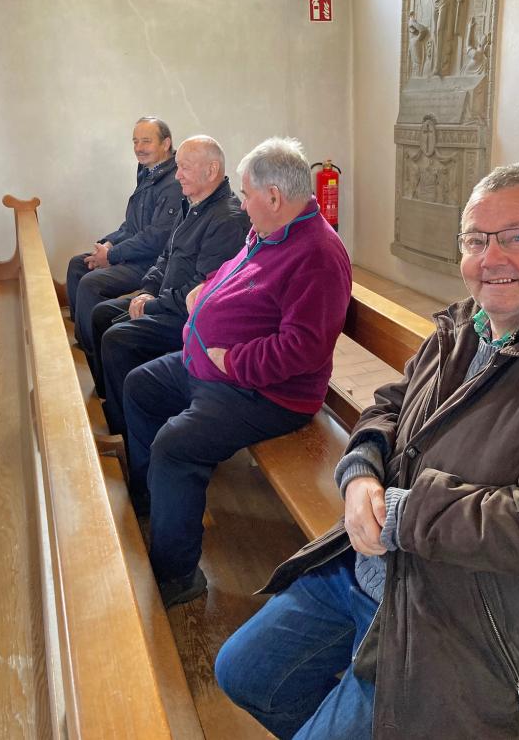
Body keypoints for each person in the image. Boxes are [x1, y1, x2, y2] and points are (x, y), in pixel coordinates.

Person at [215, 164, 519, 739]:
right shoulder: (466, 324)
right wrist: (359, 473)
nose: (492, 257)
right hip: (375, 566)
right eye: (476, 239)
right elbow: (390, 404)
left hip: (465, 617)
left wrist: (398, 510)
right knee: (244, 674)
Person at [122, 136, 352, 608]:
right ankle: (152, 499)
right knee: (141, 385)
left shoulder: (318, 255)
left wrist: (233, 361)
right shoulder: (268, 231)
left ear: (274, 197)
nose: (242, 204)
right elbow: (236, 272)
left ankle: (177, 576)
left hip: (267, 392)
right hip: (213, 369)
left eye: (246, 195)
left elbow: (304, 349)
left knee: (175, 446)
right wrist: (205, 290)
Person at [90, 135, 249, 437]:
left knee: (117, 337)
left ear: (211, 170)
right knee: (102, 315)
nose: (177, 176)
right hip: (164, 301)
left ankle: (126, 430)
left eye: (185, 168)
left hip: (189, 319)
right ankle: (114, 408)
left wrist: (151, 305)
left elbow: (201, 292)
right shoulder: (193, 204)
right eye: (177, 167)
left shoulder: (227, 219)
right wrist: (147, 290)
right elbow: (166, 255)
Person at [66, 117, 182, 353]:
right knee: (78, 264)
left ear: (166, 143)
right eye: (135, 141)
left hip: (150, 263)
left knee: (91, 283)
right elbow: (132, 225)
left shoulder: (173, 182)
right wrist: (108, 244)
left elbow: (155, 238)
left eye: (146, 141)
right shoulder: (148, 172)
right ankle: (82, 339)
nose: (139, 148)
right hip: (133, 253)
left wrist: (112, 255)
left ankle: (92, 353)